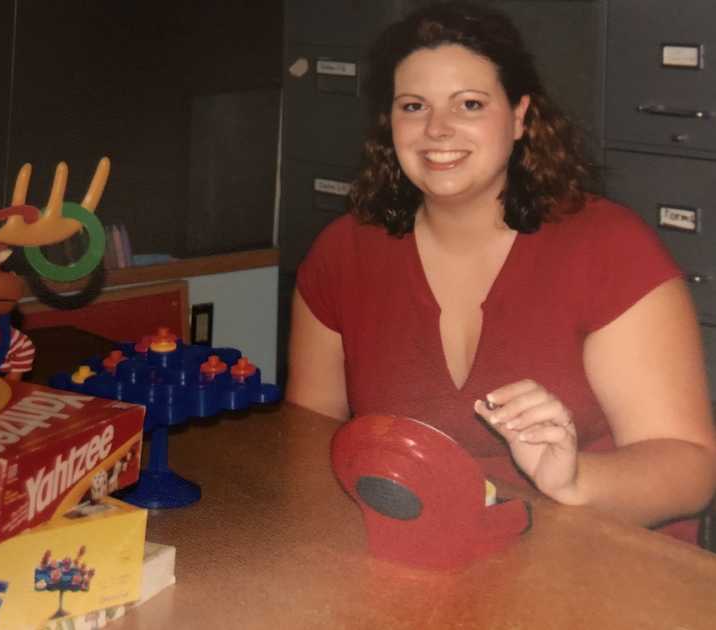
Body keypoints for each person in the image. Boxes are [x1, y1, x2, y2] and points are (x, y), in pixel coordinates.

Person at [286, 1, 716, 542]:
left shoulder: (609, 248)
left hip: (597, 570)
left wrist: (577, 479)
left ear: (518, 117)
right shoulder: (341, 255)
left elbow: (691, 467)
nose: (437, 129)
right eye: (414, 106)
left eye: (469, 104)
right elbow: (311, 449)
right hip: (427, 570)